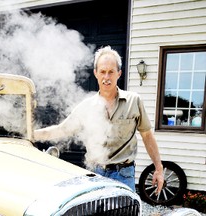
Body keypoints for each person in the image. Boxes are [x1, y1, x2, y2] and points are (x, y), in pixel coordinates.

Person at [34, 45, 164, 193]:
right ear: (96, 73)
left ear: (119, 73)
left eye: (111, 72)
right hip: (95, 175)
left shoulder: (134, 101)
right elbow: (61, 130)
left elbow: (147, 135)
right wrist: (31, 134)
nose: (106, 77)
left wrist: (159, 169)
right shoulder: (86, 106)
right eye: (102, 72)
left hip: (123, 175)